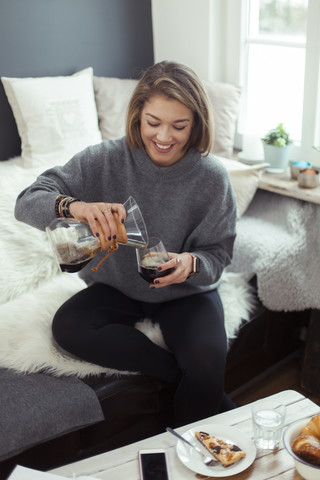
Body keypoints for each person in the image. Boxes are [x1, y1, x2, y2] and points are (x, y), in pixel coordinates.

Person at [15, 61, 237, 427]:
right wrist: (76, 207)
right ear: (137, 116)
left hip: (186, 294)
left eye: (179, 126)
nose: (164, 136)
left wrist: (191, 264)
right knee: (68, 327)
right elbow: (27, 201)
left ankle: (197, 399)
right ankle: (184, 380)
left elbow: (219, 253)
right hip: (118, 288)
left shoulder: (212, 178)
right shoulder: (104, 159)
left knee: (209, 359)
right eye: (154, 123)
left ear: (196, 123)